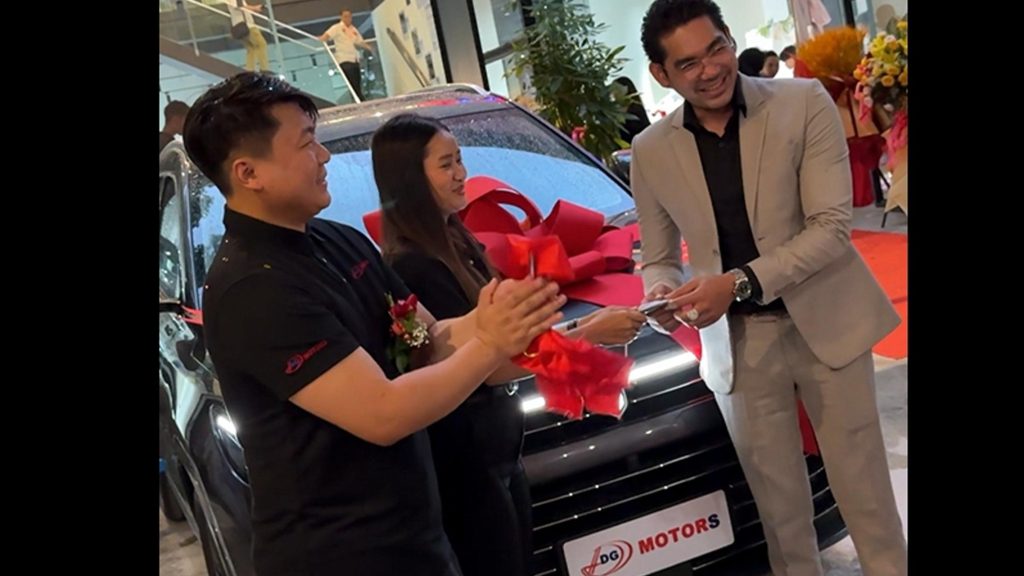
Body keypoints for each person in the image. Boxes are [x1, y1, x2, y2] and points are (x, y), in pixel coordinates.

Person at [182, 72, 565, 576]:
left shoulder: (338, 241)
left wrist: (502, 314)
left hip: (416, 534)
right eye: (306, 145)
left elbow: (430, 339)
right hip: (339, 553)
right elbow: (382, 413)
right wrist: (492, 342)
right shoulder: (253, 287)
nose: (324, 158)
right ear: (249, 173)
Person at [633, 2, 907, 575]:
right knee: (781, 517)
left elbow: (831, 227)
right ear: (661, 74)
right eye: (688, 63)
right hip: (738, 346)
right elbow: (659, 258)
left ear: (730, 40)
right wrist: (662, 295)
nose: (710, 69)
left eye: (717, 48)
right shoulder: (651, 150)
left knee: (867, 501)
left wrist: (735, 283)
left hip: (827, 324)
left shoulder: (802, 103)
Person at [372, 113, 648, 576]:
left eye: (460, 160)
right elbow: (486, 361)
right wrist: (589, 334)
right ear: (409, 177)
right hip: (467, 459)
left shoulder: (455, 239)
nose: (462, 174)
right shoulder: (414, 265)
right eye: (445, 165)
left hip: (500, 446)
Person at [318, 10, 374, 101]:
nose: (348, 18)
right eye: (345, 16)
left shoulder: (353, 29)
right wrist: (320, 39)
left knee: (357, 84)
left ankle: (359, 100)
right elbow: (326, 36)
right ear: (341, 17)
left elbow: (359, 42)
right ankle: (359, 101)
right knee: (352, 84)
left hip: (354, 59)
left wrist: (368, 47)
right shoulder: (336, 28)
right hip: (344, 60)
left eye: (349, 16)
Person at [231, 1, 269, 72]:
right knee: (261, 45)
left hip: (239, 28)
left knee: (251, 49)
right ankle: (264, 69)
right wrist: (255, 8)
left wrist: (253, 9)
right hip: (248, 27)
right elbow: (240, 7)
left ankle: (250, 70)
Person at [613, 76, 653, 145]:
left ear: (626, 89)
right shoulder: (614, 110)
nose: (614, 93)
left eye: (616, 89)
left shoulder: (636, 109)